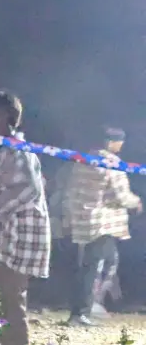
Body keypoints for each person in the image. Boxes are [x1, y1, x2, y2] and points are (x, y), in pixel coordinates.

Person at [0, 89, 51, 345]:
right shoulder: (5, 150)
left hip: (25, 232)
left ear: (2, 117)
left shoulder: (17, 149)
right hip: (12, 230)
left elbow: (30, 189)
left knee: (9, 295)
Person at [66, 127, 141, 326]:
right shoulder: (112, 163)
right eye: (120, 142)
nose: (121, 146)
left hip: (83, 219)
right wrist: (136, 202)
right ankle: (82, 311)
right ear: (111, 142)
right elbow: (120, 195)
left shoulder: (82, 160)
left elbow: (72, 188)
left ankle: (88, 306)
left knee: (102, 261)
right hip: (102, 223)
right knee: (95, 266)